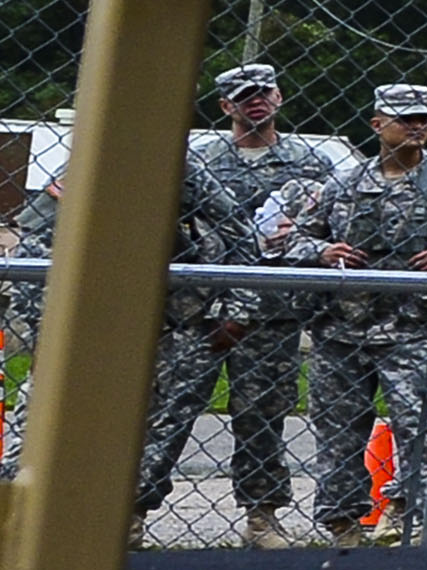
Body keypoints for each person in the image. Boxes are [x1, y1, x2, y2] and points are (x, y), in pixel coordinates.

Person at [140, 61, 337, 543]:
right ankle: (133, 510)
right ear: (226, 106)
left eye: (264, 92)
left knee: (262, 417)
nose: (257, 101)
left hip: (272, 312)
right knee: (169, 414)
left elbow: (332, 225)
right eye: (245, 95)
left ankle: (261, 515)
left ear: (279, 96)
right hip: (199, 311)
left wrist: (303, 238)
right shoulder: (201, 161)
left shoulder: (310, 163)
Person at [282, 81, 427, 534]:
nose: (416, 127)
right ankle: (343, 522)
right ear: (377, 124)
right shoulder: (343, 185)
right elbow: (294, 241)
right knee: (338, 430)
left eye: (424, 119)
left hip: (414, 328)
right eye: (405, 119)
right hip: (342, 330)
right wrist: (322, 252)